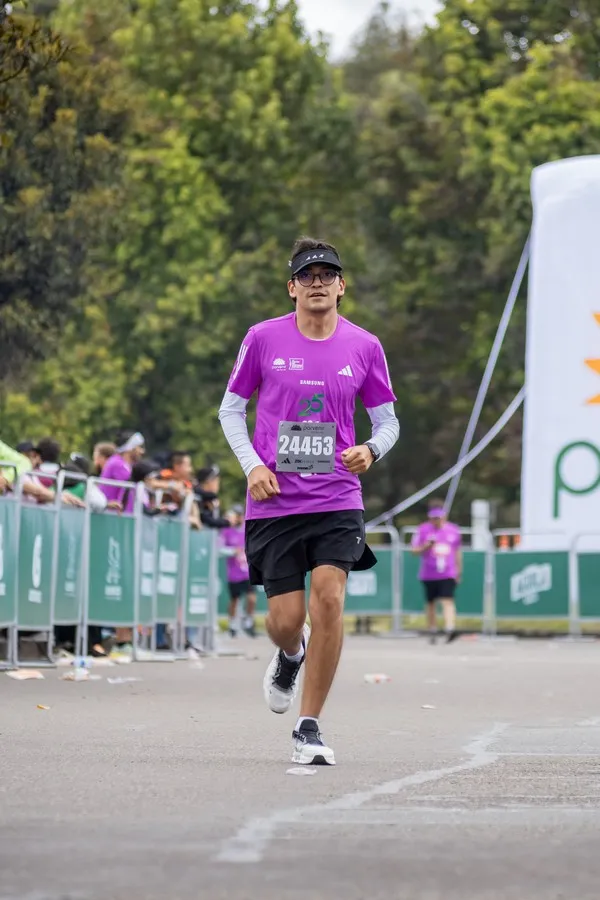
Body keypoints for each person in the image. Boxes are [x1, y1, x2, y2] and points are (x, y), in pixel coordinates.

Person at [219, 236, 399, 766]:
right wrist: (252, 465)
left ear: (341, 287)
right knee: (284, 620)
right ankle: (289, 654)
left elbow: (388, 422)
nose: (317, 282)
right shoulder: (262, 338)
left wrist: (371, 449)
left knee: (329, 599)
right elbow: (231, 410)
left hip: (337, 497)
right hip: (275, 500)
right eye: (307, 275)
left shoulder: (365, 346)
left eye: (327, 274)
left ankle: (309, 726)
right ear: (291, 287)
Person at [411, 499, 462, 644]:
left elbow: (457, 552)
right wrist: (426, 545)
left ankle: (449, 628)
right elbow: (414, 550)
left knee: (447, 600)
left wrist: (458, 570)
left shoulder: (453, 530)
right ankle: (432, 630)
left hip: (447, 572)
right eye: (434, 518)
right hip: (429, 573)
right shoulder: (422, 530)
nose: (436, 520)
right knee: (431, 603)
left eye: (439, 517)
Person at [221, 504, 257, 638]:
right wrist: (232, 551)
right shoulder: (226, 531)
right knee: (234, 600)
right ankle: (232, 624)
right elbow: (219, 548)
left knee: (251, 598)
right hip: (234, 573)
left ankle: (248, 622)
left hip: (246, 571)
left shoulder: (246, 530)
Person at [98, 430, 145, 507]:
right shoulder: (117, 463)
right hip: (110, 514)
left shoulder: (125, 464)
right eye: (139, 447)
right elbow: (134, 482)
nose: (142, 451)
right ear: (130, 448)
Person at [194, 465, 230, 529]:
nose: (218, 485)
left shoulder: (208, 499)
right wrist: (227, 522)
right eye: (216, 481)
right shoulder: (196, 495)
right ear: (208, 481)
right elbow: (207, 520)